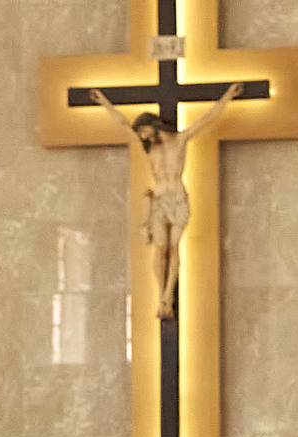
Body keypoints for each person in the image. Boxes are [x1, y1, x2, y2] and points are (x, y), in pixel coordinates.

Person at [93, 83, 238, 320]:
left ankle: (169, 293)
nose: (141, 135)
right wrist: (104, 103)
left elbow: (207, 119)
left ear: (152, 125)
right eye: (140, 133)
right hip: (159, 201)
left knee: (173, 247)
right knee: (160, 249)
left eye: (143, 131)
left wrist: (228, 96)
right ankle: (162, 296)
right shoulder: (148, 148)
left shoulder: (180, 140)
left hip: (178, 200)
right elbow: (122, 123)